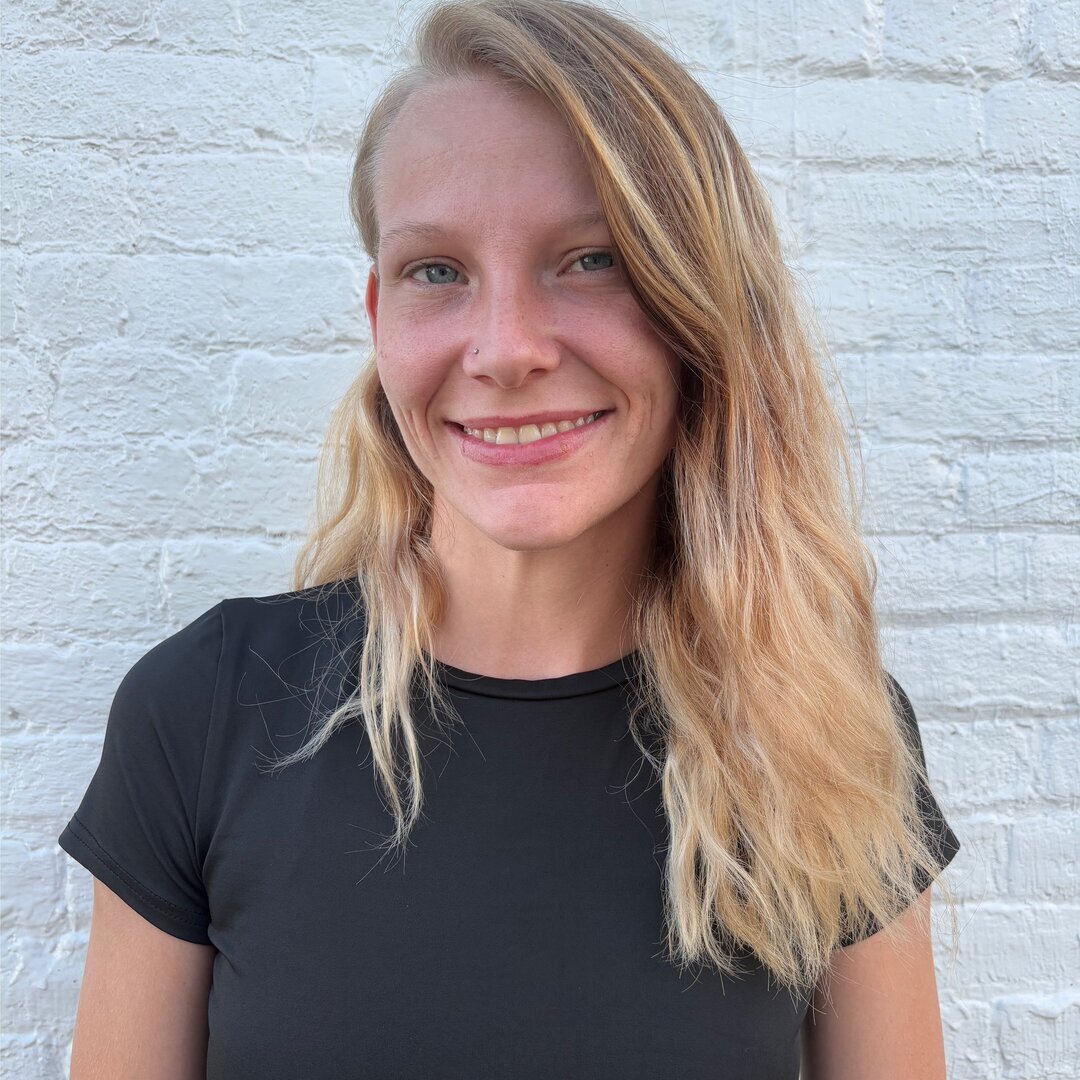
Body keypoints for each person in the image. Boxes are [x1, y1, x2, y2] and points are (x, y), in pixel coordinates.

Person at [58, 1, 961, 1077]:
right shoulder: (204, 713)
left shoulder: (821, 728)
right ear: (379, 317)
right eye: (436, 270)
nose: (505, 349)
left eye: (590, 259)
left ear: (703, 305)